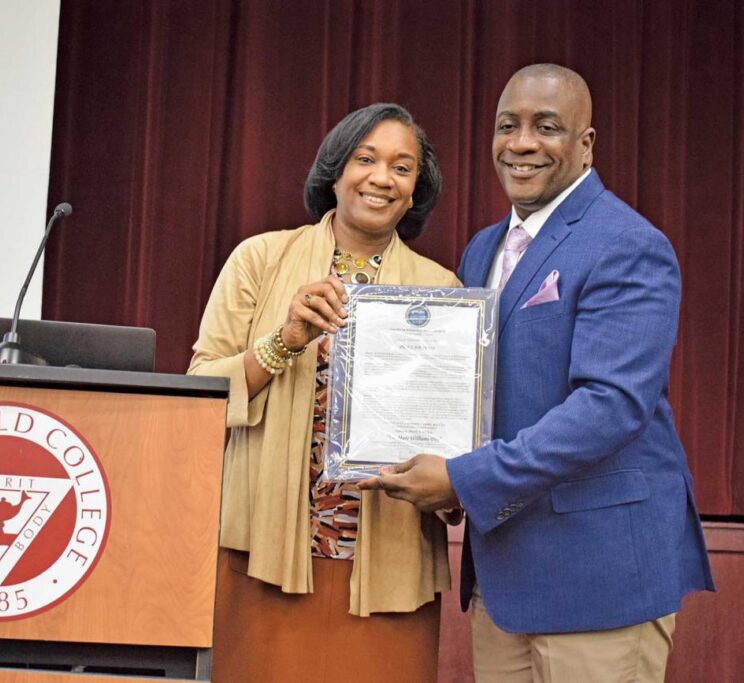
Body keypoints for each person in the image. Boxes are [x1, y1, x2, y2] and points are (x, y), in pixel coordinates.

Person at [360, 64, 715, 682]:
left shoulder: (627, 243)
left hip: (599, 574)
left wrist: (464, 477)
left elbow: (609, 407)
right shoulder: (481, 249)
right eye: (508, 126)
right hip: (506, 574)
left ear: (585, 144)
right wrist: (438, 464)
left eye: (546, 127)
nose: (522, 143)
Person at [187, 103, 459, 682]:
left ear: (416, 192)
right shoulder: (259, 260)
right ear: (335, 171)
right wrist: (283, 341)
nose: (382, 178)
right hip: (262, 555)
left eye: (402, 167)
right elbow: (197, 398)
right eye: (366, 159)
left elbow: (455, 438)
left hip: (388, 571)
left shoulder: (443, 291)